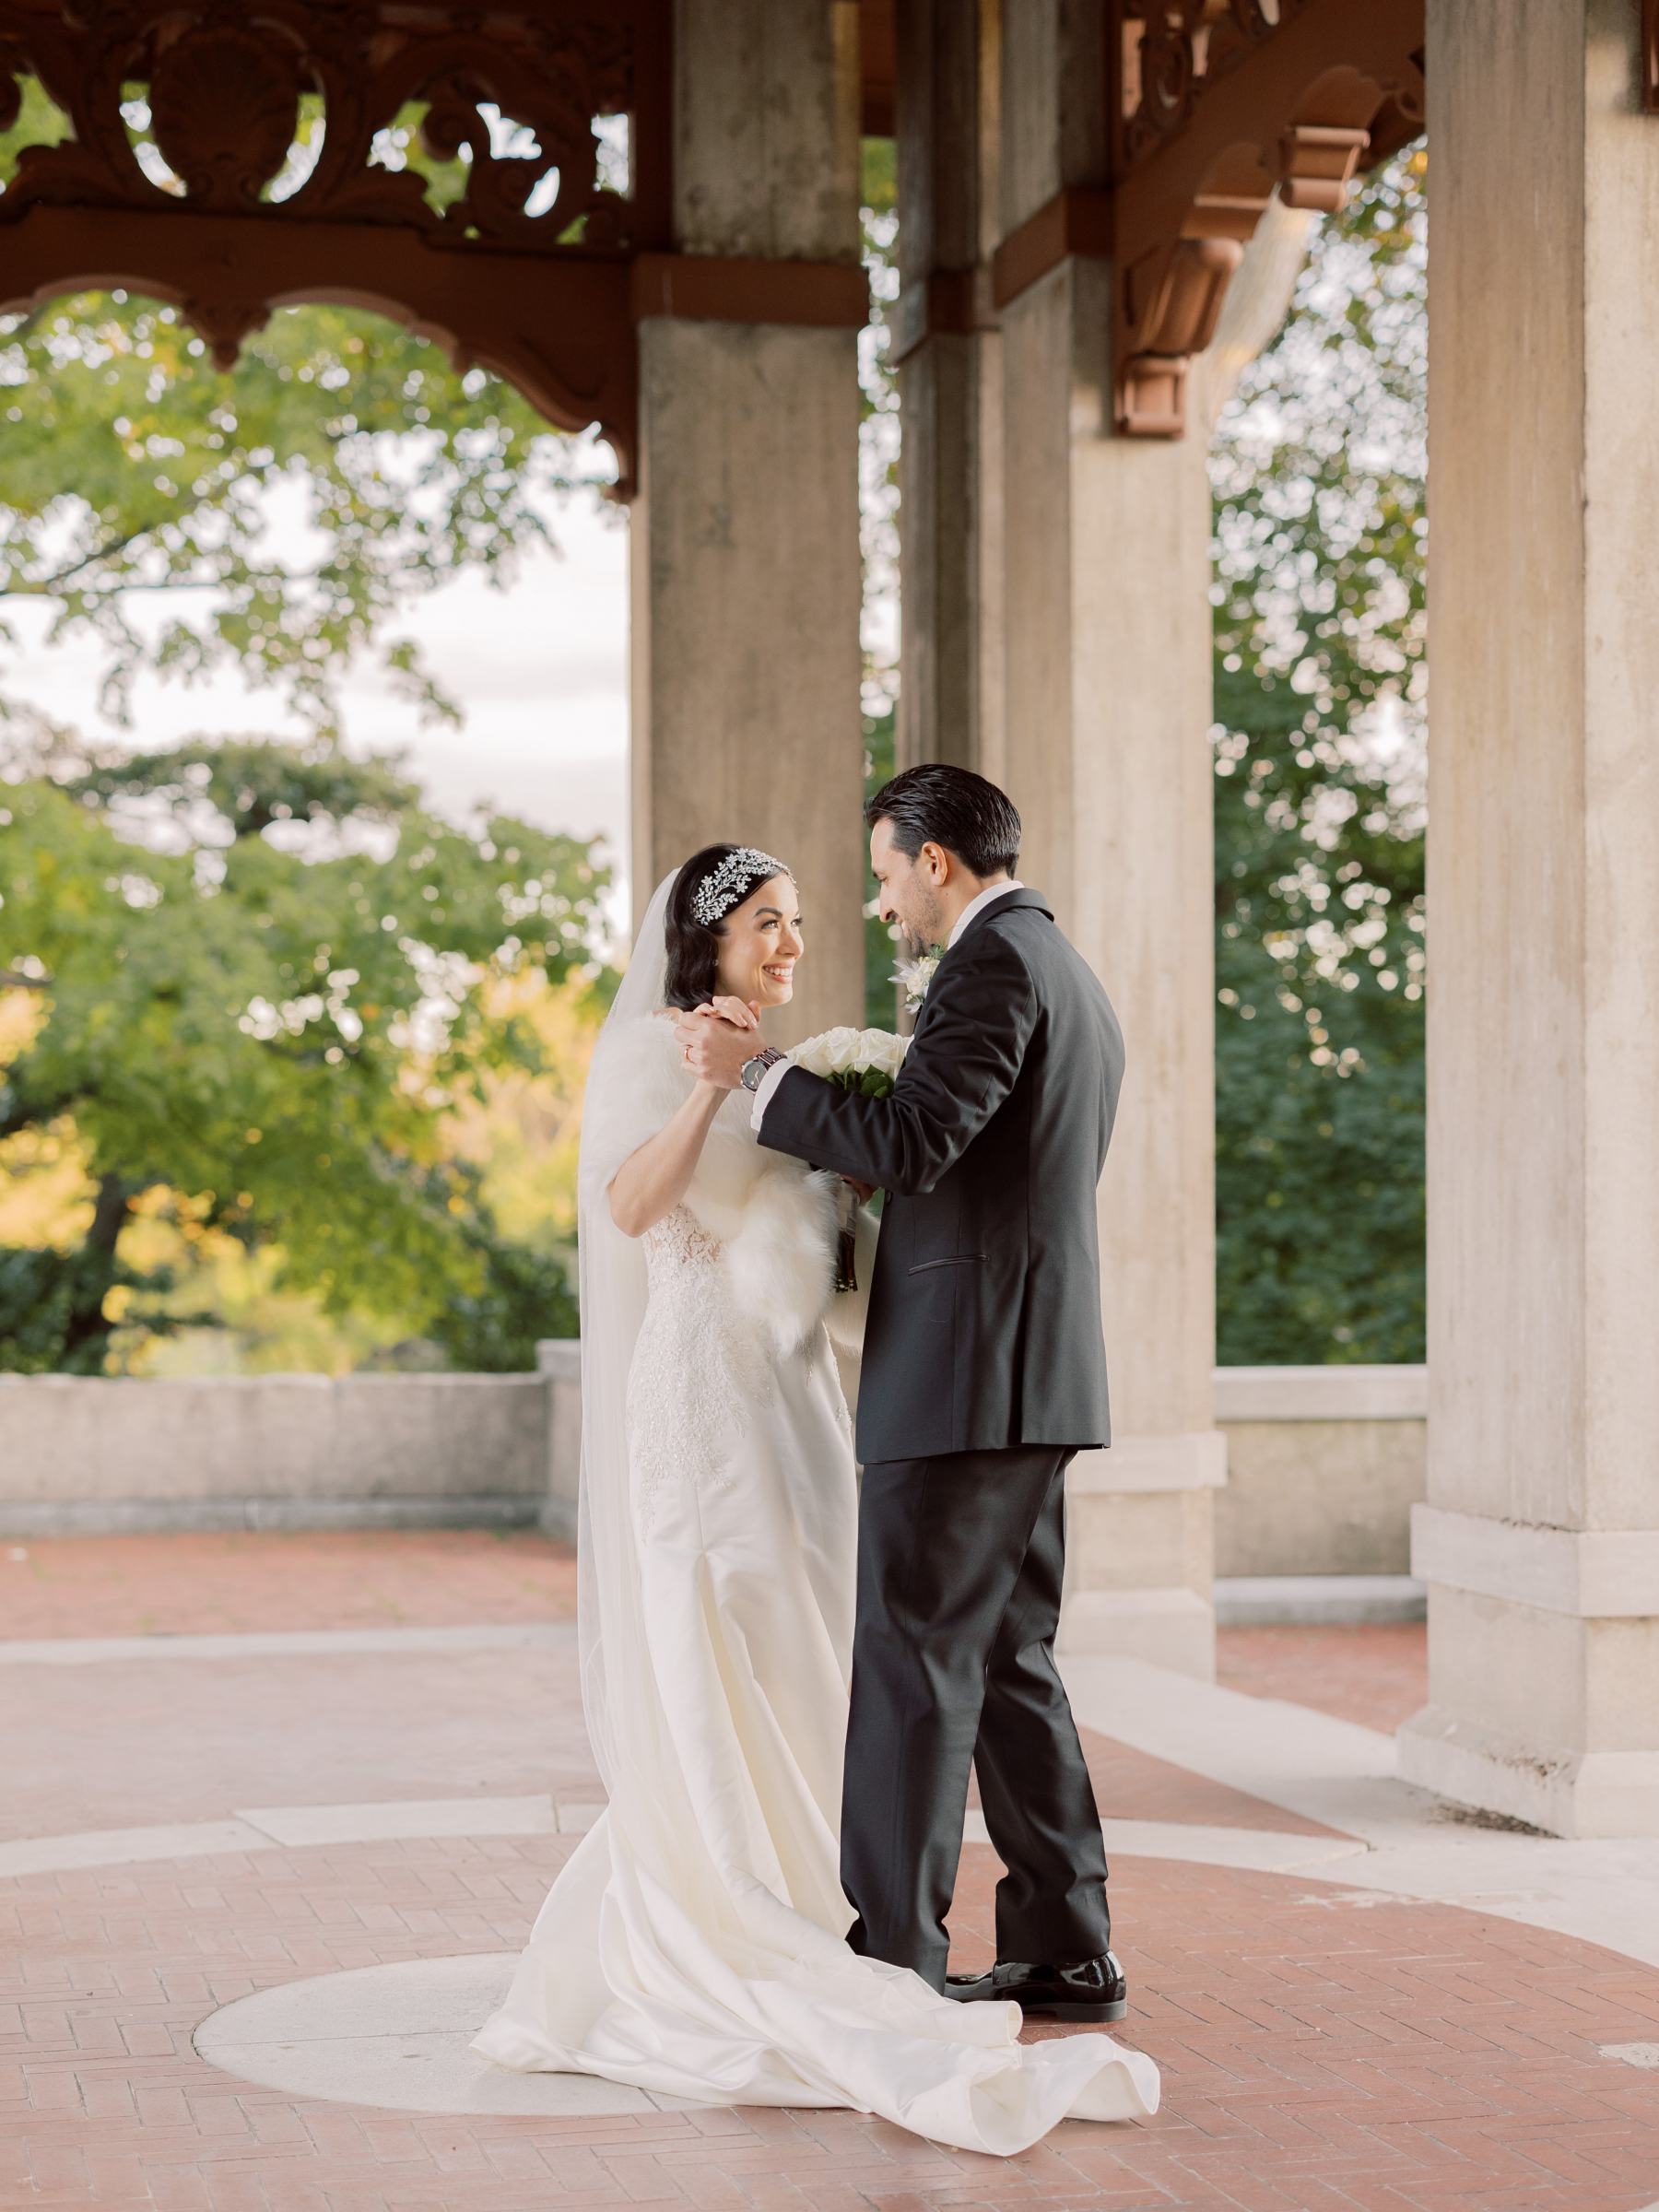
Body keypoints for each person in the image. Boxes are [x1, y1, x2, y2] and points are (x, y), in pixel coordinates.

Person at [473, 837, 1157, 2152]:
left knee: (833, 1645)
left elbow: (844, 1229)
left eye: (800, 922)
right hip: (701, 1395)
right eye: (768, 924)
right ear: (709, 938)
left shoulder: (822, 1051)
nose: (793, 943)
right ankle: (775, 1913)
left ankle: (842, 1903)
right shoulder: (663, 1049)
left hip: (800, 1397)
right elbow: (627, 1206)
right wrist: (710, 1092)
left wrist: (824, 1155)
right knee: (741, 1627)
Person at [677, 767, 1127, 2024]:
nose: (884, 901)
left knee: (914, 1663)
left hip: (967, 1379)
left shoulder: (992, 965)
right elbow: (986, 1171)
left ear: (937, 861)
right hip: (1032, 1376)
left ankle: (886, 1968)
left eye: (885, 873)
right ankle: (1064, 1950)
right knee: (1008, 1662)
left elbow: (920, 1139)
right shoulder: (1068, 972)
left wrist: (761, 1079)